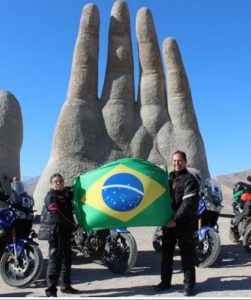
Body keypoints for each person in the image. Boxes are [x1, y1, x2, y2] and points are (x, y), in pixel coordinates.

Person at [154, 150, 200, 297]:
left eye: (179, 160)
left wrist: (175, 220)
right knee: (166, 254)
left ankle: (189, 285)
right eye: (174, 160)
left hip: (184, 223)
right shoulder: (168, 179)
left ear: (185, 162)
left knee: (187, 254)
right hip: (168, 223)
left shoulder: (190, 180)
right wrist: (160, 173)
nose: (177, 163)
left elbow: (188, 204)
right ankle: (165, 282)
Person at [44, 173, 79, 297]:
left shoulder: (65, 194)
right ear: (51, 184)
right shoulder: (50, 197)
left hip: (66, 232)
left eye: (60, 181)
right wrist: (74, 227)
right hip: (56, 232)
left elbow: (74, 190)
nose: (58, 183)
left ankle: (66, 286)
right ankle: (51, 291)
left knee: (67, 259)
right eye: (56, 181)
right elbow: (58, 216)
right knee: (55, 261)